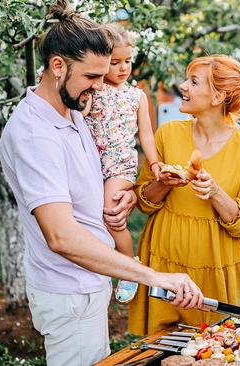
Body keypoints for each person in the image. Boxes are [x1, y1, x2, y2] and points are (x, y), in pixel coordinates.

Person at [0, 1, 203, 365]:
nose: (99, 88)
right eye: (92, 78)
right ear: (57, 66)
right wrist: (155, 277)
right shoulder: (35, 134)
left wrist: (117, 200)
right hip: (68, 292)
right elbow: (60, 237)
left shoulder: (71, 108)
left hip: (90, 284)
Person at [128, 55, 240, 335]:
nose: (183, 86)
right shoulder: (168, 134)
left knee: (211, 349)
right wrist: (163, 183)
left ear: (217, 96)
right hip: (162, 260)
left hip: (214, 267)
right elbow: (144, 203)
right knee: (160, 350)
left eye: (193, 82)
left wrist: (215, 193)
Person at [83, 23, 161, 304]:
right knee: (91, 218)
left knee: (111, 214)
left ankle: (129, 268)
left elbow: (146, 134)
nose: (123, 68)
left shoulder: (136, 96)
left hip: (119, 165)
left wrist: (154, 165)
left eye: (127, 61)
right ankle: (102, 265)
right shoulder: (93, 90)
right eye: (115, 62)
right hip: (91, 163)